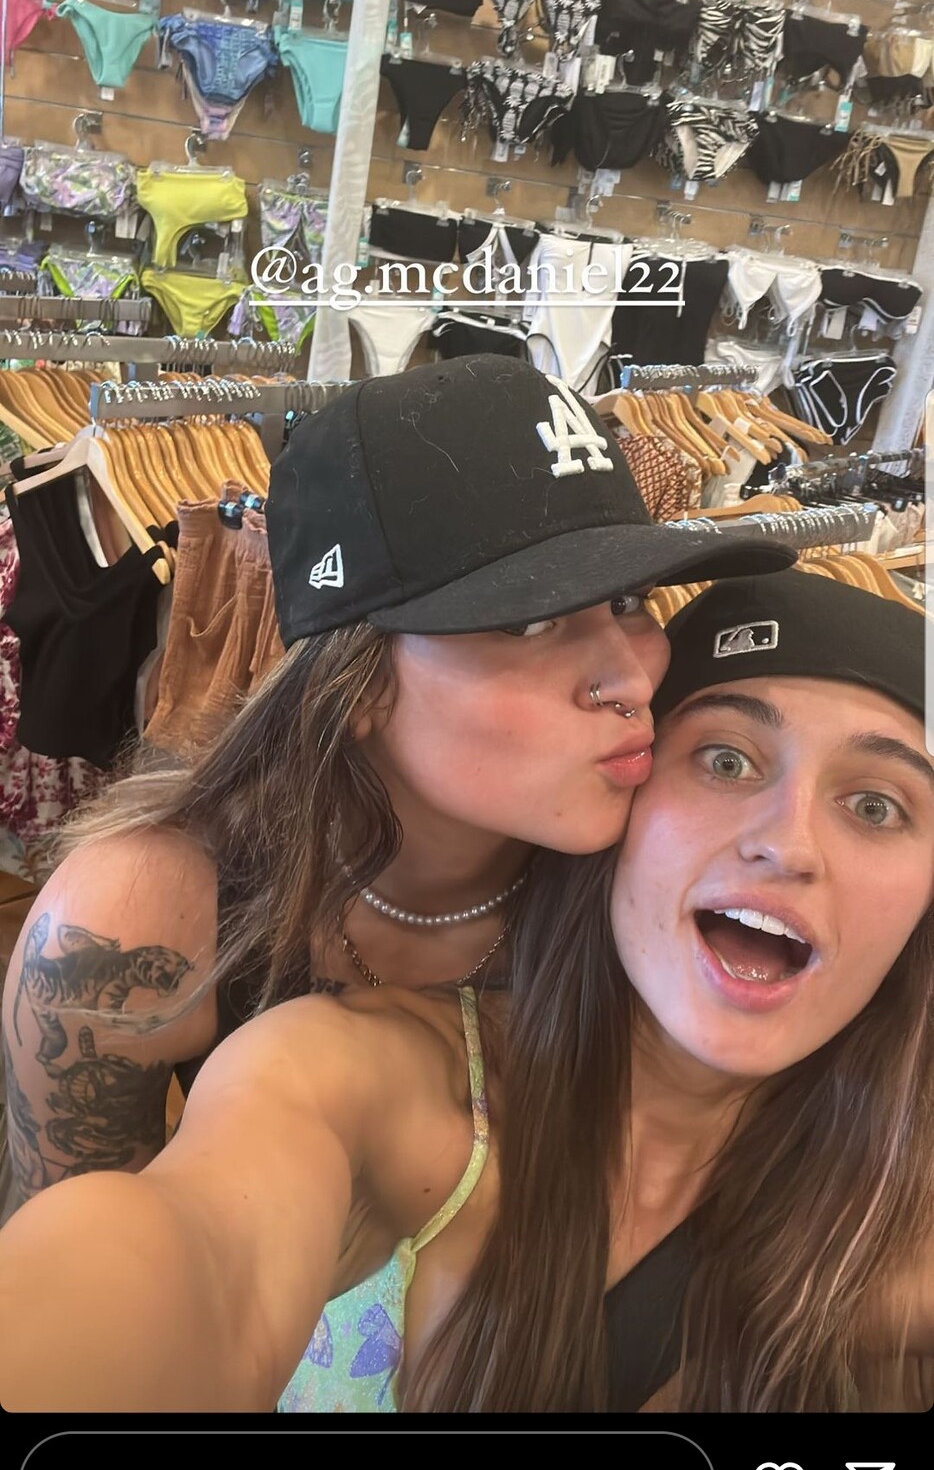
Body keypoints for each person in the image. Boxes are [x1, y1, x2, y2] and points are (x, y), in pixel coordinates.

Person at [0, 569, 930, 1414]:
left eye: (877, 805)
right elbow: (189, 1263)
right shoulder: (358, 1071)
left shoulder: (898, 1239)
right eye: (726, 760)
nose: (789, 845)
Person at [0, 358, 790, 1213]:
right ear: (360, 684)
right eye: (532, 621)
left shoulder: (683, 890)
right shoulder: (143, 913)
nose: (632, 679)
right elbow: (73, 1250)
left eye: (630, 602)